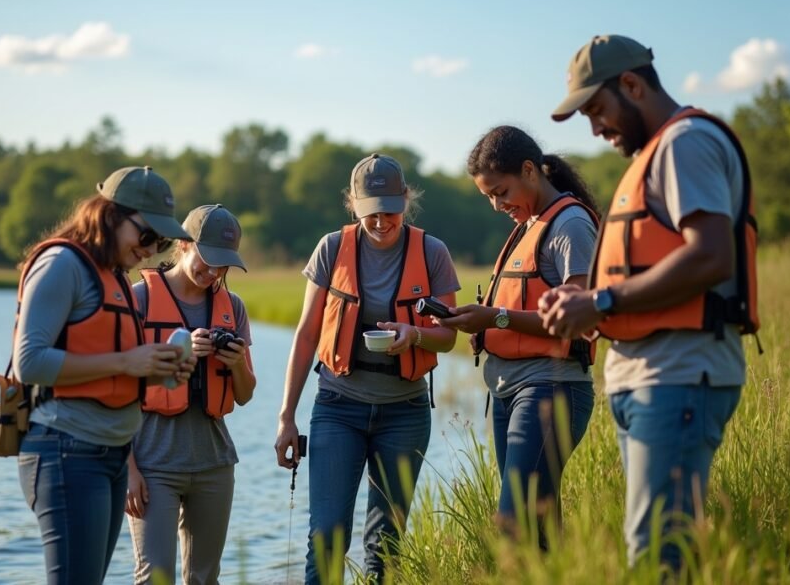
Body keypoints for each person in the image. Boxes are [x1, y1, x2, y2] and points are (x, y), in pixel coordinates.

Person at [540, 35, 759, 569]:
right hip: (649, 376)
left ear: (633, 85)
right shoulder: (655, 154)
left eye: (598, 109)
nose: (595, 129)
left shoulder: (684, 143)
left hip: (679, 374)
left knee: (660, 555)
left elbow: (710, 257)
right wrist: (587, 297)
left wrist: (604, 301)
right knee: (655, 551)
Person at [274, 153, 460, 584]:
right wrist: (286, 417)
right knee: (327, 534)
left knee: (386, 541)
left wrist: (413, 336)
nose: (380, 221)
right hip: (338, 407)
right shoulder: (331, 248)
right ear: (353, 205)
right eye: (370, 212)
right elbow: (306, 335)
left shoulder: (433, 252)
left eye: (390, 211)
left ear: (406, 200)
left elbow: (448, 336)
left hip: (405, 413)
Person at [13, 165, 195, 584]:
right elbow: (30, 362)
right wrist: (127, 363)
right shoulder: (61, 264)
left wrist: (157, 371)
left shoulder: (115, 275)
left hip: (110, 454)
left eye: (161, 241)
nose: (151, 249)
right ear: (111, 215)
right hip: (66, 450)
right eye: (146, 235)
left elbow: (105, 367)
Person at [434, 125, 599, 548]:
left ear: (529, 170)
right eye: (488, 196)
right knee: (538, 532)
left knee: (513, 524)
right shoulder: (528, 225)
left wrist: (497, 318)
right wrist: (483, 325)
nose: (496, 204)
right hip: (509, 391)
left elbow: (578, 318)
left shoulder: (571, 225)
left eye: (500, 191)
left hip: (551, 388)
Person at [125, 204, 257, 585]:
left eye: (223, 264)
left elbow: (245, 395)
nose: (214, 272)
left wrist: (234, 364)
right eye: (208, 259)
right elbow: (115, 388)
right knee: (155, 577)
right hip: (151, 465)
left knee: (204, 579)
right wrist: (127, 470)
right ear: (184, 245)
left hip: (214, 464)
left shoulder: (233, 307)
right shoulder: (139, 300)